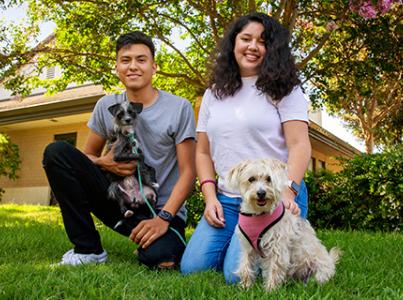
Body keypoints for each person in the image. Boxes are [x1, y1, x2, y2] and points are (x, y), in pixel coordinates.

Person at [43, 31, 196, 269]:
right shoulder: (106, 105)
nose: (133, 66)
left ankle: (154, 242)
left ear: (154, 67)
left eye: (141, 59)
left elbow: (188, 173)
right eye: (125, 60)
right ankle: (88, 249)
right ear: (117, 67)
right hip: (118, 199)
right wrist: (106, 163)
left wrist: (164, 218)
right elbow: (86, 158)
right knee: (57, 153)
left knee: (162, 260)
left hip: (160, 209)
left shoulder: (179, 108)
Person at [180, 12, 311, 282]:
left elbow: (299, 145)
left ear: (272, 49)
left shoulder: (285, 89)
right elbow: (203, 151)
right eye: (246, 39)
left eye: (262, 42)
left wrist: (289, 192)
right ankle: (234, 239)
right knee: (192, 267)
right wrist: (210, 196)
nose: (253, 46)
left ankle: (248, 247)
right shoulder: (213, 93)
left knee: (235, 277)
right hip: (227, 199)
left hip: (275, 195)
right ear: (233, 43)